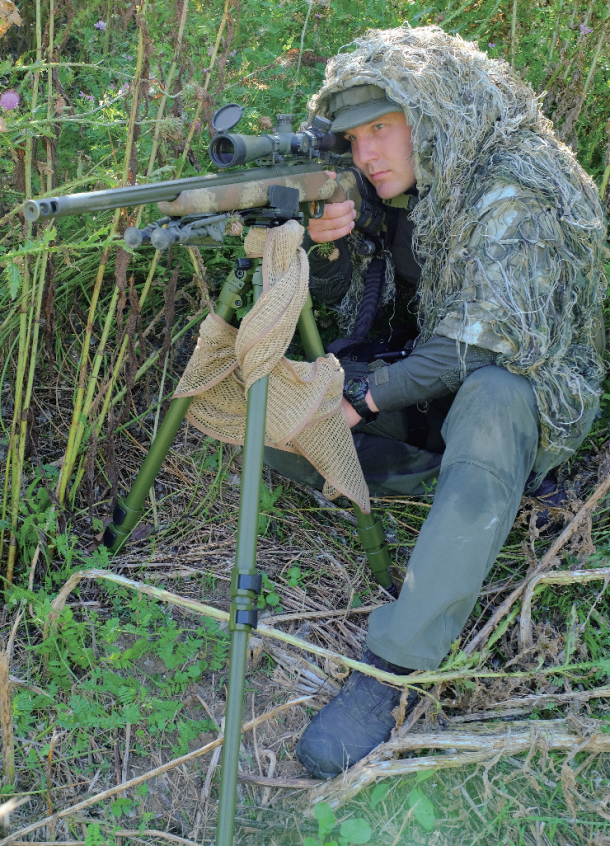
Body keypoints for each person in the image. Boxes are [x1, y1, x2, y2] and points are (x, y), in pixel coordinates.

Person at [264, 25, 607, 779]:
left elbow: (480, 345)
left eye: (381, 130)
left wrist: (362, 399)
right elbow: (356, 316)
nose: (366, 156)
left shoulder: (516, 184)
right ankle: (449, 490)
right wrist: (329, 250)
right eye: (353, 140)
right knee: (274, 419)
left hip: (521, 397)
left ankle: (392, 669)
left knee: (488, 399)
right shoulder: (408, 187)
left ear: (436, 115)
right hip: (426, 382)